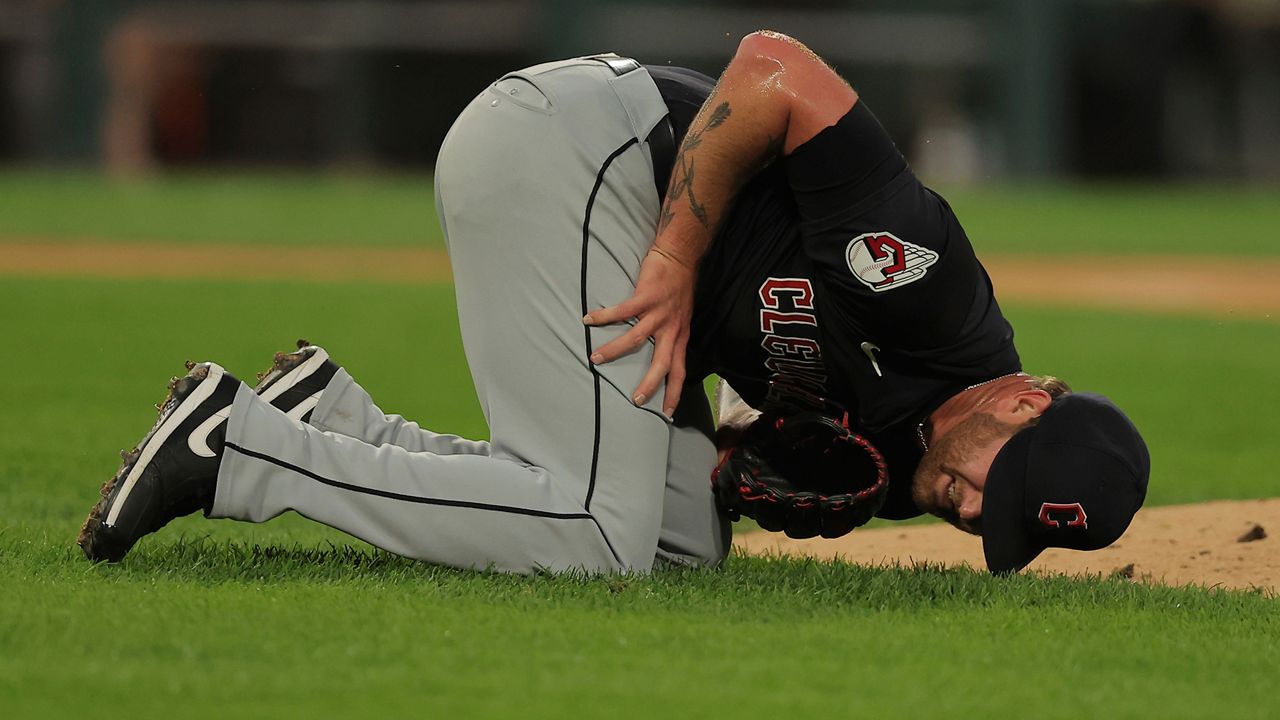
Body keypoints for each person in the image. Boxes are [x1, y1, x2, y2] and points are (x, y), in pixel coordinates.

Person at [78, 32, 1149, 576]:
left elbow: (749, 437)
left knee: (679, 542)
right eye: (991, 486)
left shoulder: (919, 469)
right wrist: (679, 254)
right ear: (1022, 400)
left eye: (995, 524)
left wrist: (733, 467)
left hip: (601, 201)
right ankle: (241, 451)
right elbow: (775, 67)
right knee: (595, 534)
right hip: (583, 145)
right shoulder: (927, 286)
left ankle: (334, 421)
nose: (968, 509)